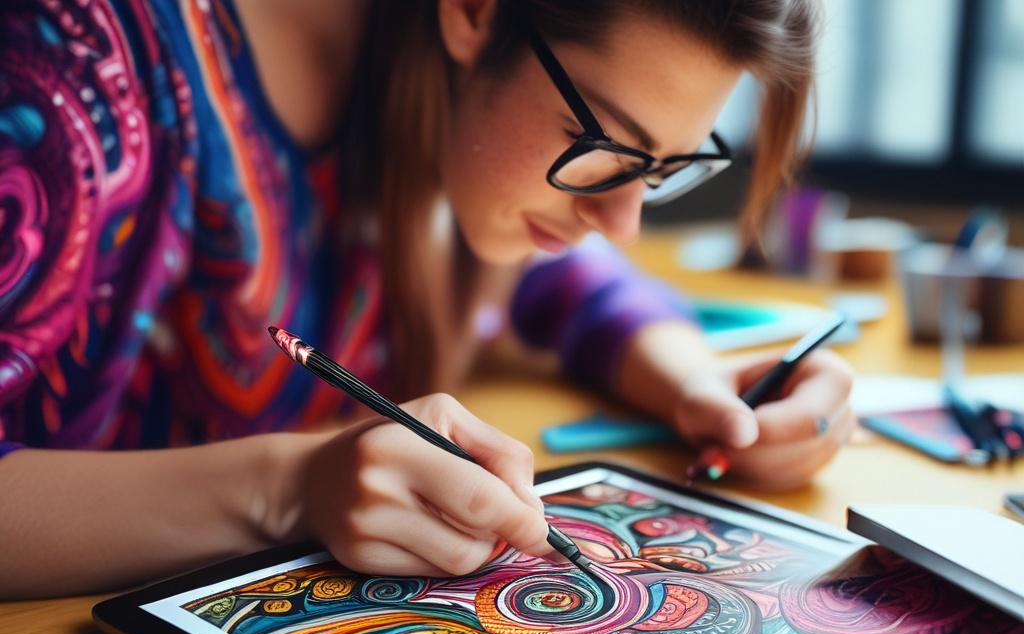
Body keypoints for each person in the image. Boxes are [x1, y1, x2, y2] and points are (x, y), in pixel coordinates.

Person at [0, 0, 853, 598]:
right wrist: (286, 490)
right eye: (603, 145)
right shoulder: (78, 70)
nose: (622, 221)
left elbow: (562, 276)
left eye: (664, 167)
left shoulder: (418, 73)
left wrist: (696, 386)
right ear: (474, 10)